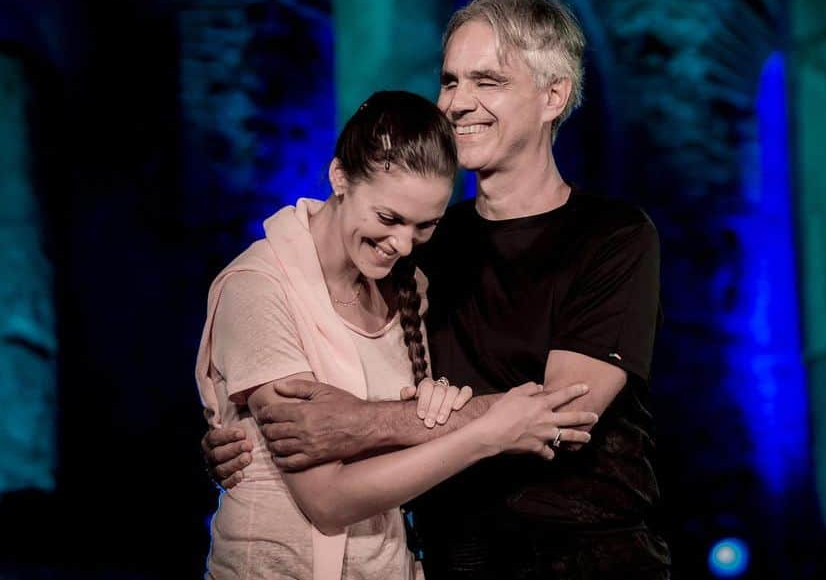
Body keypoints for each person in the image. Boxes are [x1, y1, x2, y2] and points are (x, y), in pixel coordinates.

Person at [204, 0, 672, 579]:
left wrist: (355, 423)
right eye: (450, 81)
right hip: (451, 558)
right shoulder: (419, 242)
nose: (457, 102)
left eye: (487, 82)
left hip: (586, 559)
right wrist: (252, 449)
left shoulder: (613, 237)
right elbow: (333, 359)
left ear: (553, 96)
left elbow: (562, 416)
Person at [195, 89, 599, 580]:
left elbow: (398, 447)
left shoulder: (408, 288)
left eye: (424, 226)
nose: (403, 244)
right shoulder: (258, 288)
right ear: (339, 176)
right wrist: (487, 435)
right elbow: (326, 500)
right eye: (388, 218)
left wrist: (423, 415)